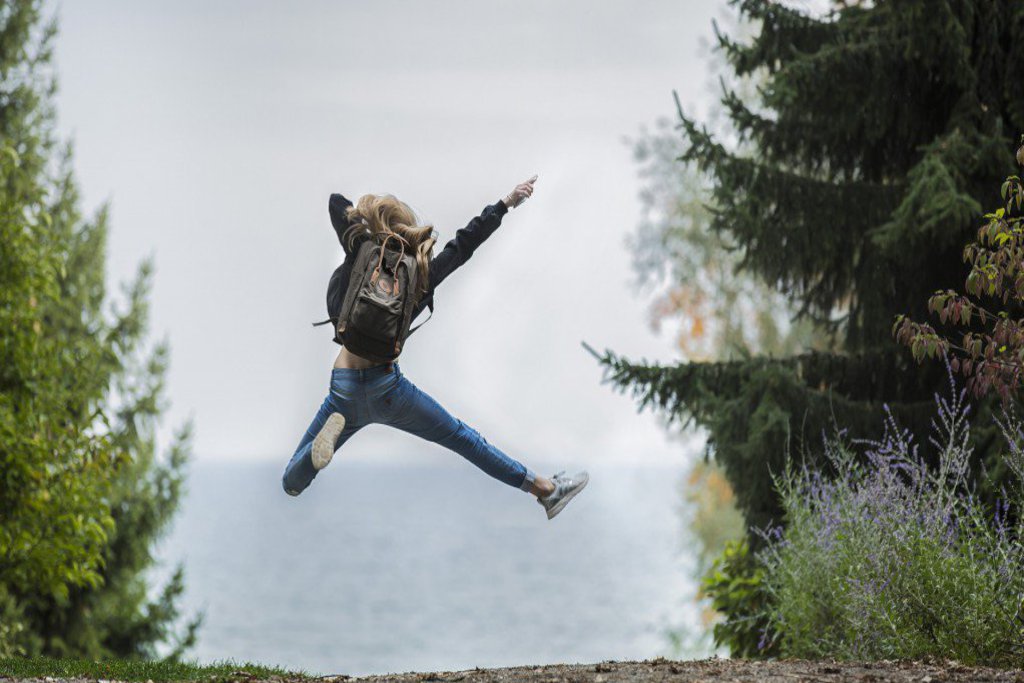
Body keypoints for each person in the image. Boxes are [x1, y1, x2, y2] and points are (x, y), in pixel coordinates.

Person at [281, 175, 589, 520]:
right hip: (388, 390)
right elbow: (464, 245)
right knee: (464, 439)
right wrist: (505, 204)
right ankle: (546, 490)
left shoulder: (360, 251)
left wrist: (367, 224)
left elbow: (335, 202)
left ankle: (312, 459)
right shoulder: (420, 274)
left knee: (291, 482)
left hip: (344, 388)